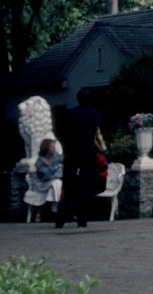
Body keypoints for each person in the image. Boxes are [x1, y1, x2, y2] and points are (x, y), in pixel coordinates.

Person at [54, 88, 103, 229]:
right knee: (85, 185)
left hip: (72, 152)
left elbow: (62, 132)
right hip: (87, 153)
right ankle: (82, 218)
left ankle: (61, 218)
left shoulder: (69, 114)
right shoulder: (95, 114)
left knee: (67, 185)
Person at [22, 138, 64, 223]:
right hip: (42, 184)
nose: (54, 148)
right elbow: (46, 175)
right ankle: (55, 205)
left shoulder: (56, 157)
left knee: (57, 182)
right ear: (46, 148)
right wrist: (56, 168)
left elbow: (65, 162)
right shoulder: (39, 161)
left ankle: (53, 205)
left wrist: (57, 171)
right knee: (56, 182)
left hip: (53, 182)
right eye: (52, 146)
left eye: (54, 146)